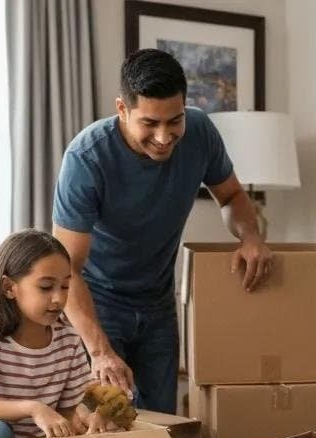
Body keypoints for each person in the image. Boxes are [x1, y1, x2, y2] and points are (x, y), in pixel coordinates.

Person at [52, 48, 271, 413]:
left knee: (162, 422)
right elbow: (66, 270)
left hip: (158, 301)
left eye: (174, 121)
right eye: (150, 124)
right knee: (109, 424)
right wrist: (100, 351)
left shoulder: (200, 131)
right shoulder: (86, 158)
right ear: (122, 109)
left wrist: (250, 237)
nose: (165, 136)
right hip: (98, 303)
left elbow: (231, 194)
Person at [0, 229, 117, 438]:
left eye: (65, 286)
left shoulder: (69, 341)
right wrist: (33, 408)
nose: (58, 298)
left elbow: (68, 410)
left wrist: (88, 416)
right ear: (9, 288)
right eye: (45, 287)